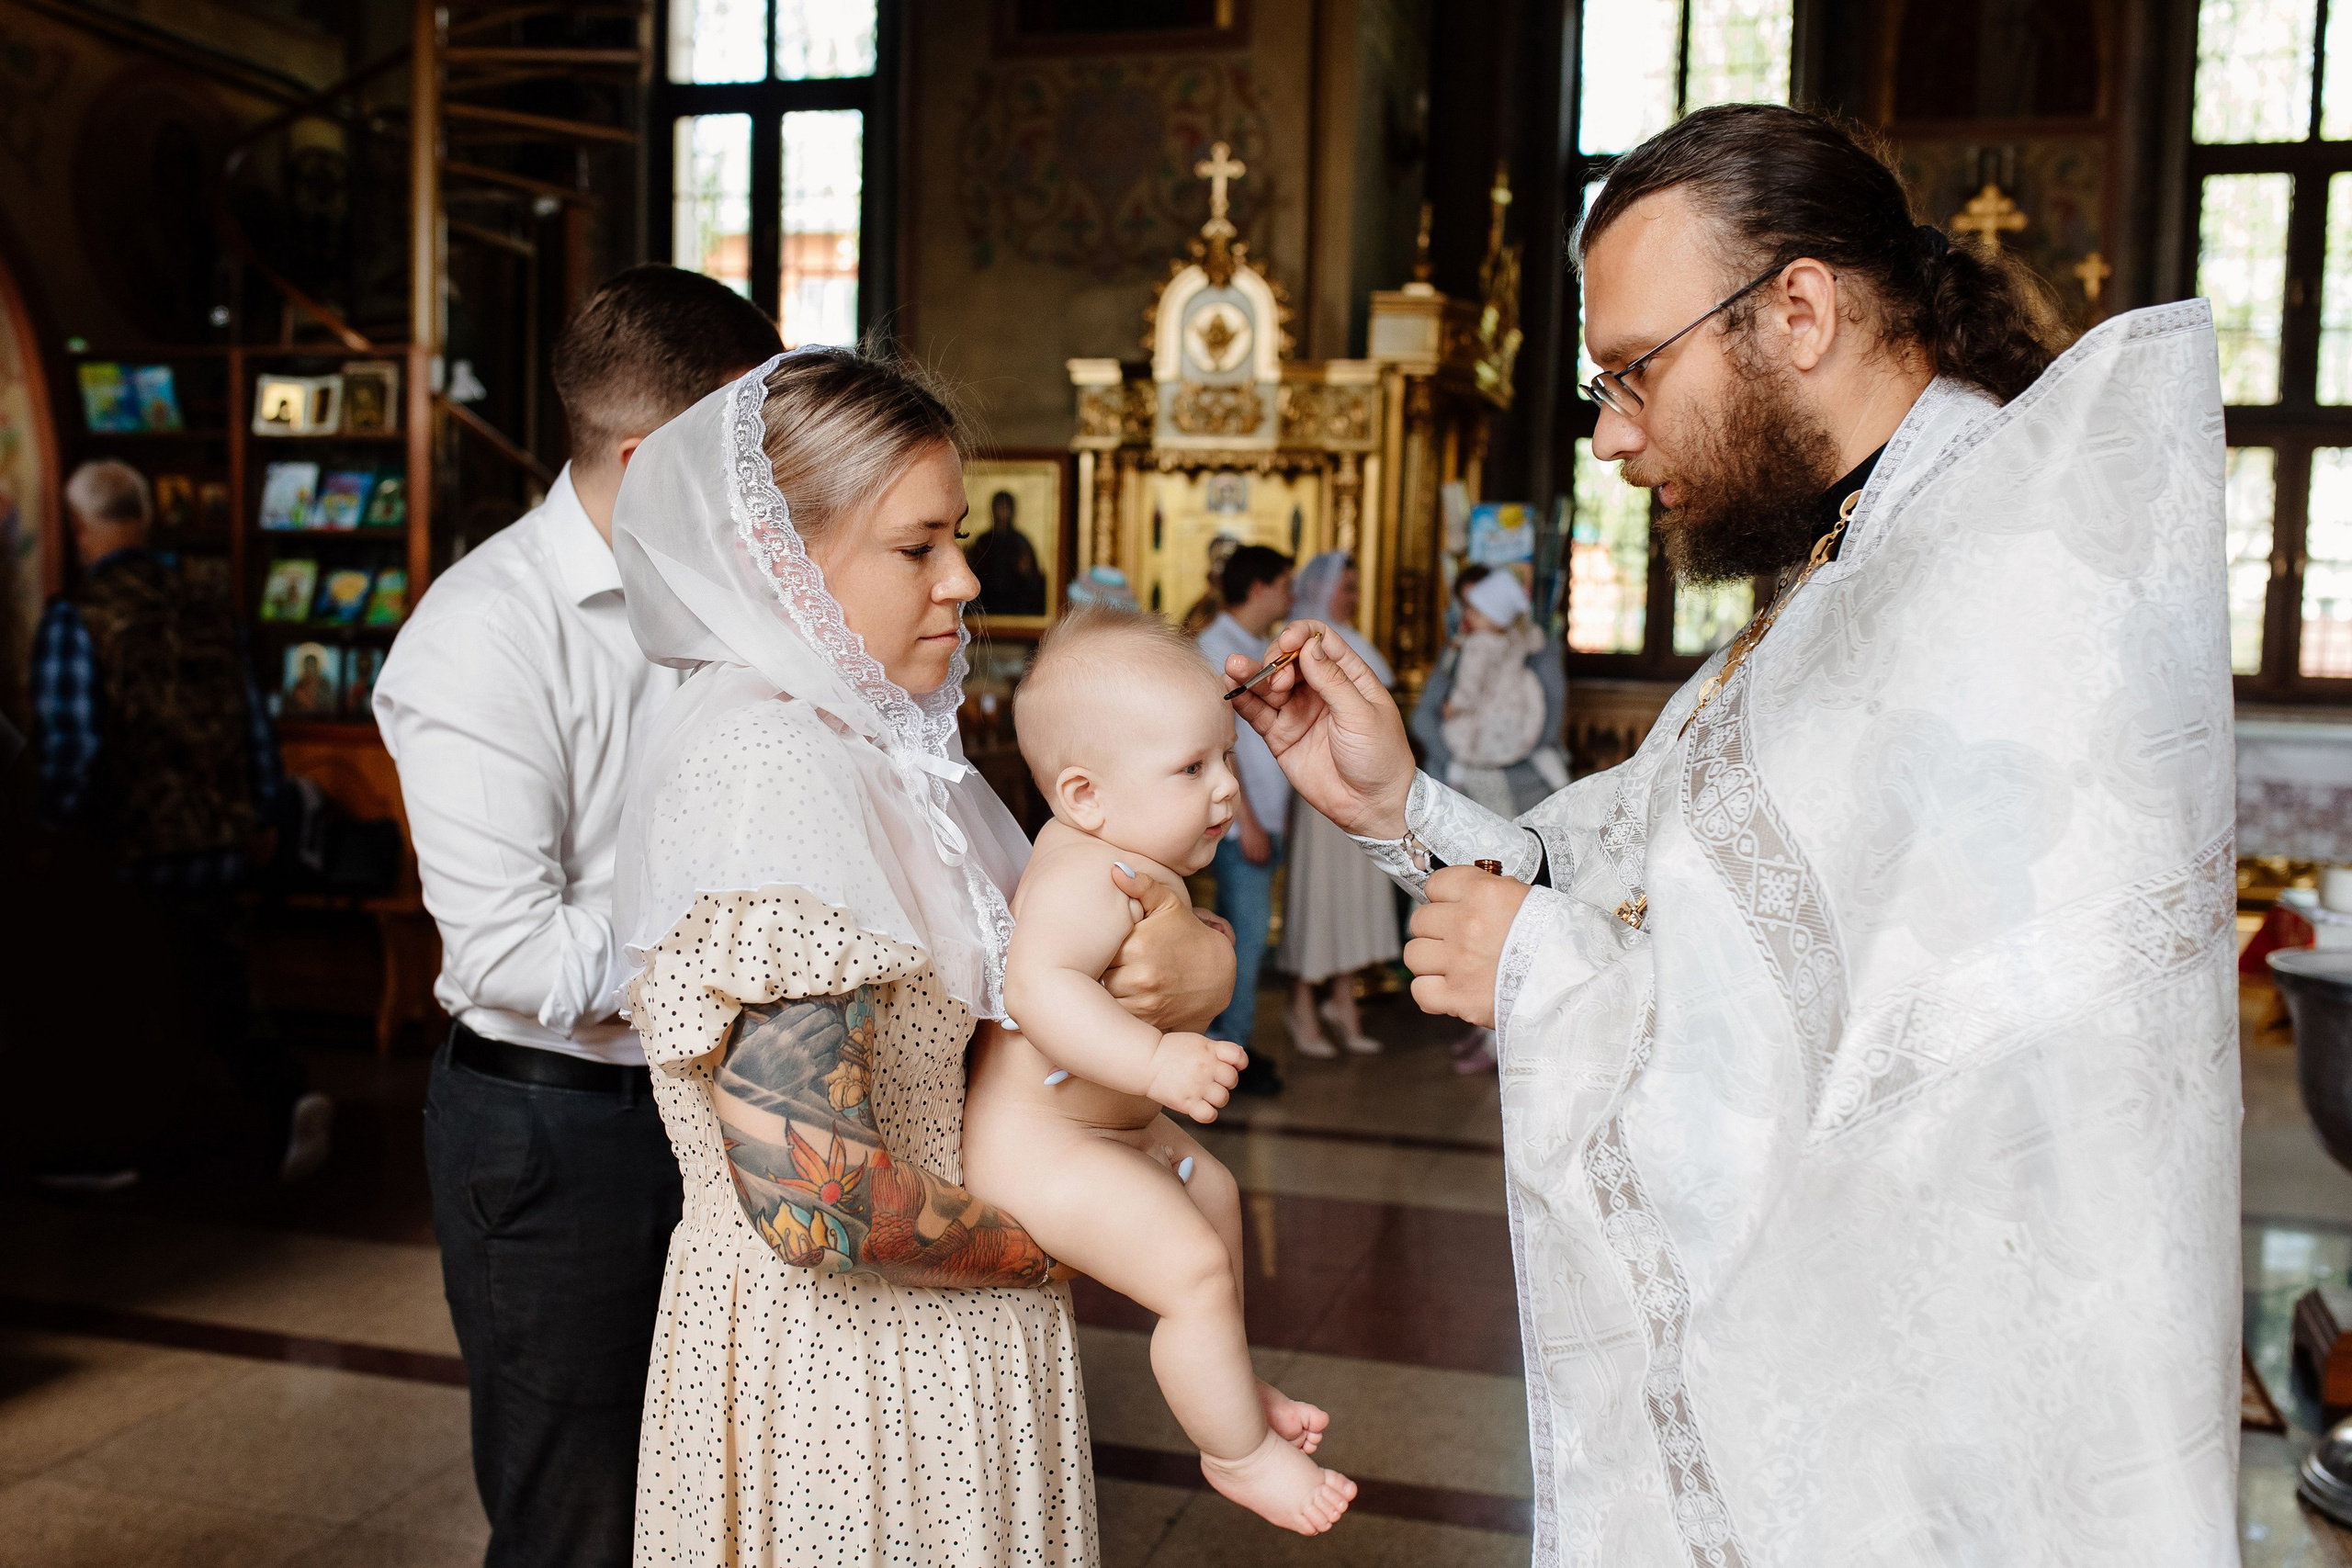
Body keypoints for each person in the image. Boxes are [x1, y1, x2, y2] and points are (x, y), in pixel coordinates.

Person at [1227, 104, 2236, 1561]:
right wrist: (1397, 804)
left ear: (1802, 311)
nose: (1613, 435)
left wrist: (1549, 974)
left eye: (1634, 371)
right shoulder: (1854, 566)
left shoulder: (1997, 581)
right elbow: (1654, 854)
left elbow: (1934, 1107)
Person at [610, 345, 1238, 1565]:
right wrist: (1070, 1235)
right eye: (919, 546)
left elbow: (1082, 953)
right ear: (774, 561)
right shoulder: (773, 763)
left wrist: (1194, 960)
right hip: (855, 1361)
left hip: (942, 1326)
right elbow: (818, 1195)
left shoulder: (890, 754)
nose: (965, 578)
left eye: (956, 536)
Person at [373, 265, 783, 1568]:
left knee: (718, 1489)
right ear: (646, 451)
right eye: (746, 438)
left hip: (726, 1097)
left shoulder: (743, 599)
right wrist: (736, 951)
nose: (772, 470)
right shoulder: (484, 632)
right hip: (559, 1126)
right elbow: (505, 951)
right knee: (580, 1514)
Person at [967, 605, 1354, 1536]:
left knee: (1214, 1198)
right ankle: (1236, 1452)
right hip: (1039, 1146)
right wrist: (1152, 1058)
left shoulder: (1123, 852)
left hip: (1104, 1129)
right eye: (1191, 769)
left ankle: (1227, 1376)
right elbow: (1038, 988)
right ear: (1085, 794)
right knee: (1188, 1265)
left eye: (1223, 757)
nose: (1225, 788)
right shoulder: (1080, 876)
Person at [31, 458, 327, 1189]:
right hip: (221, 837)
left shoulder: (78, 617)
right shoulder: (208, 604)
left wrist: (50, 835)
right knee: (220, 984)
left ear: (78, 529)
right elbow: (256, 721)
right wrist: (261, 811)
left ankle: (111, 1151)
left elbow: (73, 746)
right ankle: (285, 1097)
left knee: (114, 1002)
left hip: (127, 846)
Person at [1274, 552, 1399, 1059]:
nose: (1352, 595)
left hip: (1363, 785)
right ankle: (1302, 1003)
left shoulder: (1354, 640)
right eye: (1346, 586)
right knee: (1319, 895)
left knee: (1353, 898)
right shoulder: (1306, 643)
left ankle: (1344, 1003)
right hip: (1322, 788)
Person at [1194, 543, 1294, 1094]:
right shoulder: (1215, 649)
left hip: (1263, 818)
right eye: (1284, 583)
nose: (1291, 594)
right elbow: (1219, 747)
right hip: (1240, 823)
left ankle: (1233, 1046)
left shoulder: (1253, 645)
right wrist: (1246, 822)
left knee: (1246, 936)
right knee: (1245, 936)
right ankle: (1225, 1051)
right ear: (1257, 588)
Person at [1438, 567, 1547, 819]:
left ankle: (1460, 771)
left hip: (1484, 712)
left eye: (1476, 612)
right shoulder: (1515, 637)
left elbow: (1470, 686)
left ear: (1493, 616)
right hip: (1513, 708)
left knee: (1469, 744)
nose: (1469, 616)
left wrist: (1454, 706)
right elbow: (1536, 639)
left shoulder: (1478, 645)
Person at [966, 489, 1046, 615]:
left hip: (1015, 604)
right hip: (987, 602)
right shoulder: (983, 541)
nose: (1003, 512)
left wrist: (1025, 573)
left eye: (1006, 507)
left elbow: (1034, 581)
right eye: (999, 507)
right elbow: (974, 573)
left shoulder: (1021, 541)